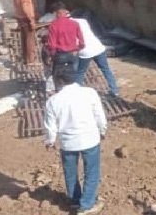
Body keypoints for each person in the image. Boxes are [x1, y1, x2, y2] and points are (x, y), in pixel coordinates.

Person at [44, 72, 107, 214]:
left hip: (68, 143)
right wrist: (102, 130)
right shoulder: (89, 93)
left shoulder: (53, 101)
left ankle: (75, 200)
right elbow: (99, 115)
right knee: (91, 172)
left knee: (70, 172)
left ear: (58, 81)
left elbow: (50, 126)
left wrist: (50, 141)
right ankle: (86, 205)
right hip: (90, 139)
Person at [74, 16, 119, 97]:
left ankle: (77, 92)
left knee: (80, 72)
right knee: (106, 69)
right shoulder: (83, 21)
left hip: (85, 52)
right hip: (98, 48)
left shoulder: (67, 26)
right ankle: (115, 90)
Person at [47, 2, 84, 80]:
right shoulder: (75, 23)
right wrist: (77, 49)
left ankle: (59, 90)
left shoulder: (53, 25)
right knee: (73, 76)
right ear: (65, 11)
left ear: (57, 13)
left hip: (60, 54)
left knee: (58, 77)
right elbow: (82, 42)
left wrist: (51, 55)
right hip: (73, 53)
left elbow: (52, 44)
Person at [13, 0, 37, 64]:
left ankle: (25, 58)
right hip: (25, 16)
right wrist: (31, 20)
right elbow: (25, 5)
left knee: (24, 38)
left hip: (19, 15)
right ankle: (31, 59)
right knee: (30, 39)